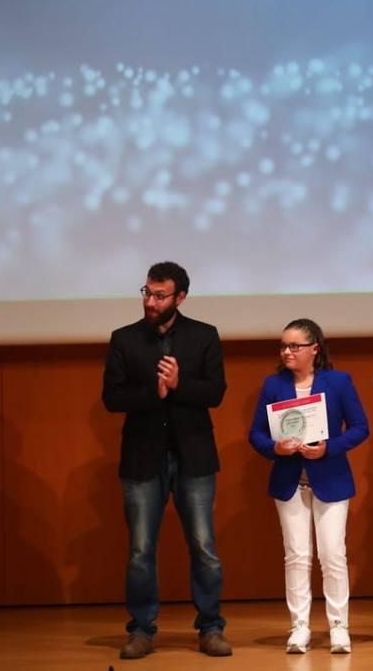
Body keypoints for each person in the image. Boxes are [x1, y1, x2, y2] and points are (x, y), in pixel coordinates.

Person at [100, 261, 232, 660]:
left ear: (180, 297)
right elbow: (112, 398)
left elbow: (215, 392)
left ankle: (210, 628)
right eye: (147, 293)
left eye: (160, 295)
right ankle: (141, 629)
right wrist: (152, 394)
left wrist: (179, 385)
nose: (150, 301)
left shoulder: (203, 336)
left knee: (204, 547)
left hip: (193, 457)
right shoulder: (124, 339)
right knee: (141, 550)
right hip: (142, 458)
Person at [248, 319, 369, 654]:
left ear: (314, 348)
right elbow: (256, 434)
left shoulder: (339, 382)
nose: (287, 351)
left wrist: (327, 447)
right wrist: (275, 448)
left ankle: (339, 627)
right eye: (283, 346)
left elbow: (360, 427)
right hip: (290, 481)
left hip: (330, 478)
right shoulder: (273, 384)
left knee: (333, 555)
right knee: (297, 556)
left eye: (295, 346)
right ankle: (299, 626)